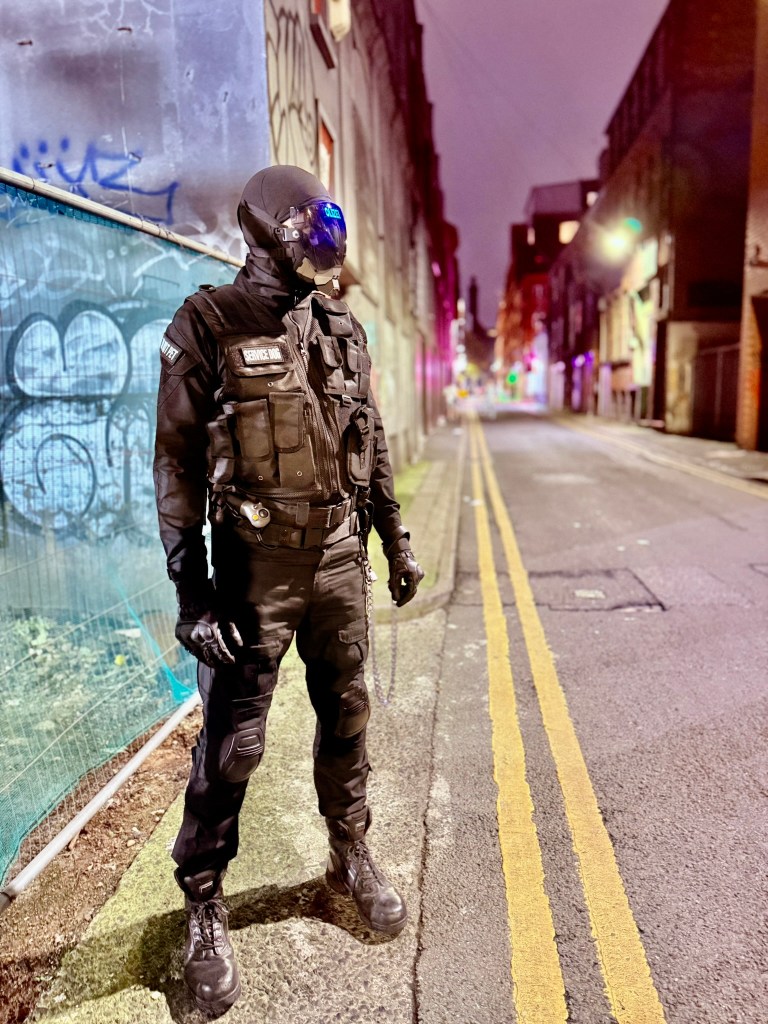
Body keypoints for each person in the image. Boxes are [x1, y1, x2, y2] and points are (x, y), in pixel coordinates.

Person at [153, 165, 424, 1015]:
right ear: (266, 234)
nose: (323, 249)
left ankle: (349, 852)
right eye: (308, 233)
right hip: (253, 572)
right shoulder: (207, 323)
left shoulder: (342, 326)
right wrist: (192, 595)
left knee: (349, 714)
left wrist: (394, 538)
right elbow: (175, 466)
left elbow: (370, 438)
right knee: (235, 744)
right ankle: (204, 899)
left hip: (340, 560)